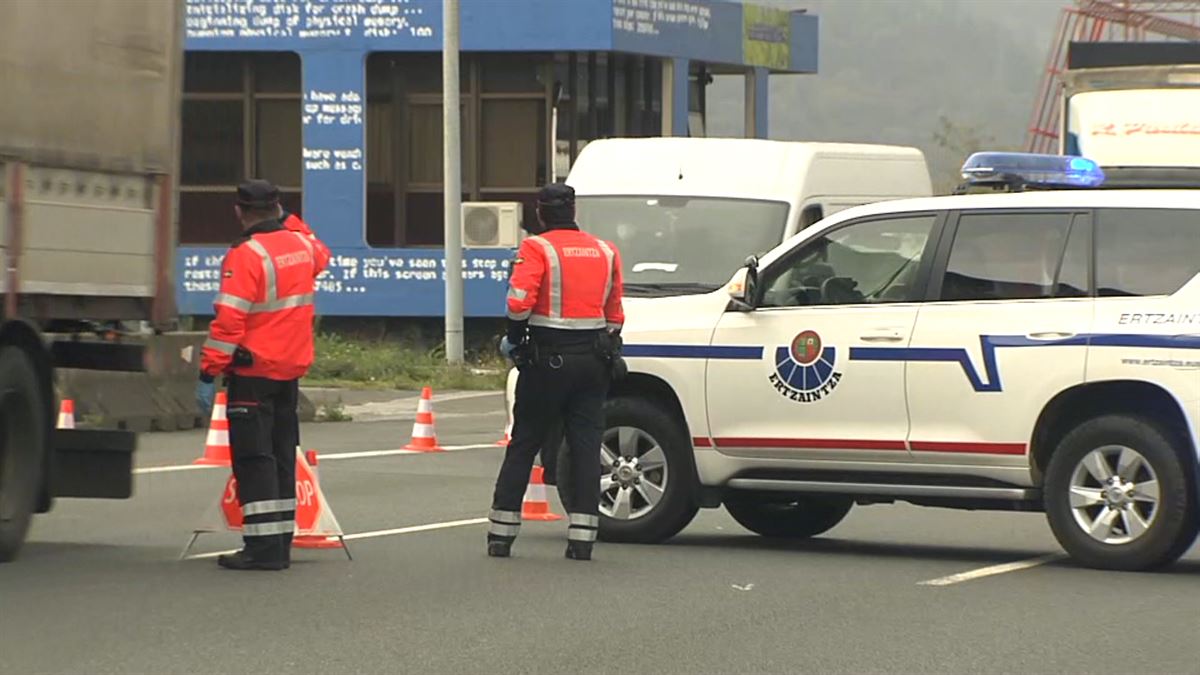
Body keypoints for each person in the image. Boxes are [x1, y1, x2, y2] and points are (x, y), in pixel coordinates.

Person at [195, 179, 330, 571]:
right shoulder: (302, 246)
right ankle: (281, 540)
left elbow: (228, 323)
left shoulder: (246, 254)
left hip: (253, 371)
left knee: (255, 459)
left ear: (239, 212)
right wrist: (290, 219)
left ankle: (262, 547)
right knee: (281, 455)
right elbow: (322, 252)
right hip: (290, 369)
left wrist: (208, 370)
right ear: (278, 208)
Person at [487, 182, 624, 561]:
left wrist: (515, 338)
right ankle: (582, 538)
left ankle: (501, 535)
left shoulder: (537, 248)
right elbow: (615, 314)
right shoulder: (606, 250)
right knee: (585, 447)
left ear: (541, 212)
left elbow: (518, 302)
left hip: (547, 360)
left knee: (525, 442)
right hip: (594, 361)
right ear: (574, 210)